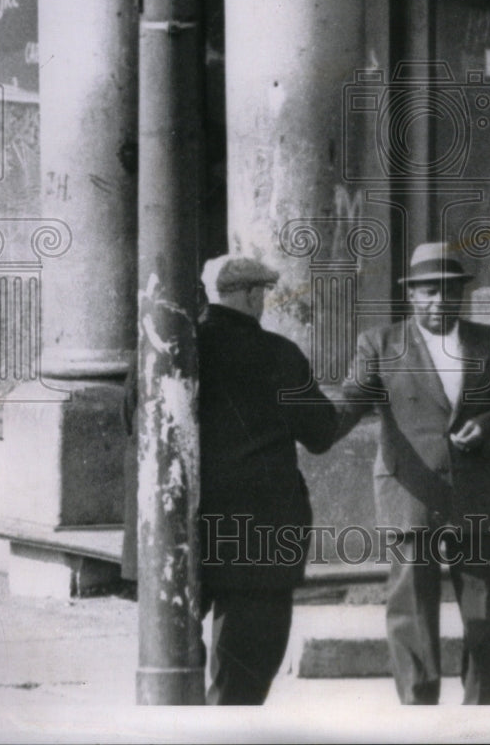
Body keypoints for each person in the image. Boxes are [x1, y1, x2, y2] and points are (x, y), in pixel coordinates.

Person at [122, 254, 356, 705]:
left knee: (170, 667)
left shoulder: (163, 348)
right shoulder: (278, 355)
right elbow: (321, 432)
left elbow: (133, 422)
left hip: (175, 537)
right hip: (256, 540)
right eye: (262, 293)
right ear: (251, 296)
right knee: (243, 681)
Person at [342, 241, 490, 705]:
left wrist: (489, 427)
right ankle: (419, 712)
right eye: (429, 292)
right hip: (412, 489)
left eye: (450, 292)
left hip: (478, 491)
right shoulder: (381, 344)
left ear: (461, 295)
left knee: (483, 614)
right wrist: (318, 426)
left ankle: (476, 714)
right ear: (411, 295)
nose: (440, 302)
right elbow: (352, 397)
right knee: (410, 609)